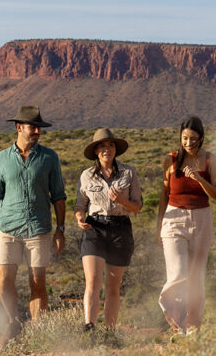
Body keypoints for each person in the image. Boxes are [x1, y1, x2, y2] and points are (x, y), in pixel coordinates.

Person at [0, 105, 67, 349]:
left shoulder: (49, 157)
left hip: (39, 229)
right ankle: (14, 322)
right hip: (8, 228)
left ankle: (38, 333)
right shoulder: (1, 158)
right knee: (3, 281)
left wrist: (60, 230)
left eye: (39, 128)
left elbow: (58, 196)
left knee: (37, 281)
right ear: (19, 128)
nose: (38, 132)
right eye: (33, 127)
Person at [156, 116, 216, 337]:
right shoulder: (171, 160)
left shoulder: (210, 160)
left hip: (202, 220)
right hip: (173, 220)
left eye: (193, 139)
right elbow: (164, 195)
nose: (188, 143)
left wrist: (199, 180)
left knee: (196, 278)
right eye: (184, 138)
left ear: (201, 138)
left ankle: (193, 331)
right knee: (177, 274)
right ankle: (177, 323)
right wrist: (159, 227)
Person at [74, 128, 142, 331]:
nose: (107, 149)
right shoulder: (87, 175)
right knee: (93, 281)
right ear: (96, 151)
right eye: (102, 146)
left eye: (110, 145)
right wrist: (79, 218)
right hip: (94, 228)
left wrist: (122, 200)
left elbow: (137, 206)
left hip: (120, 229)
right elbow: (80, 205)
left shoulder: (128, 173)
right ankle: (89, 326)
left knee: (113, 287)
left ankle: (110, 332)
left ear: (115, 149)